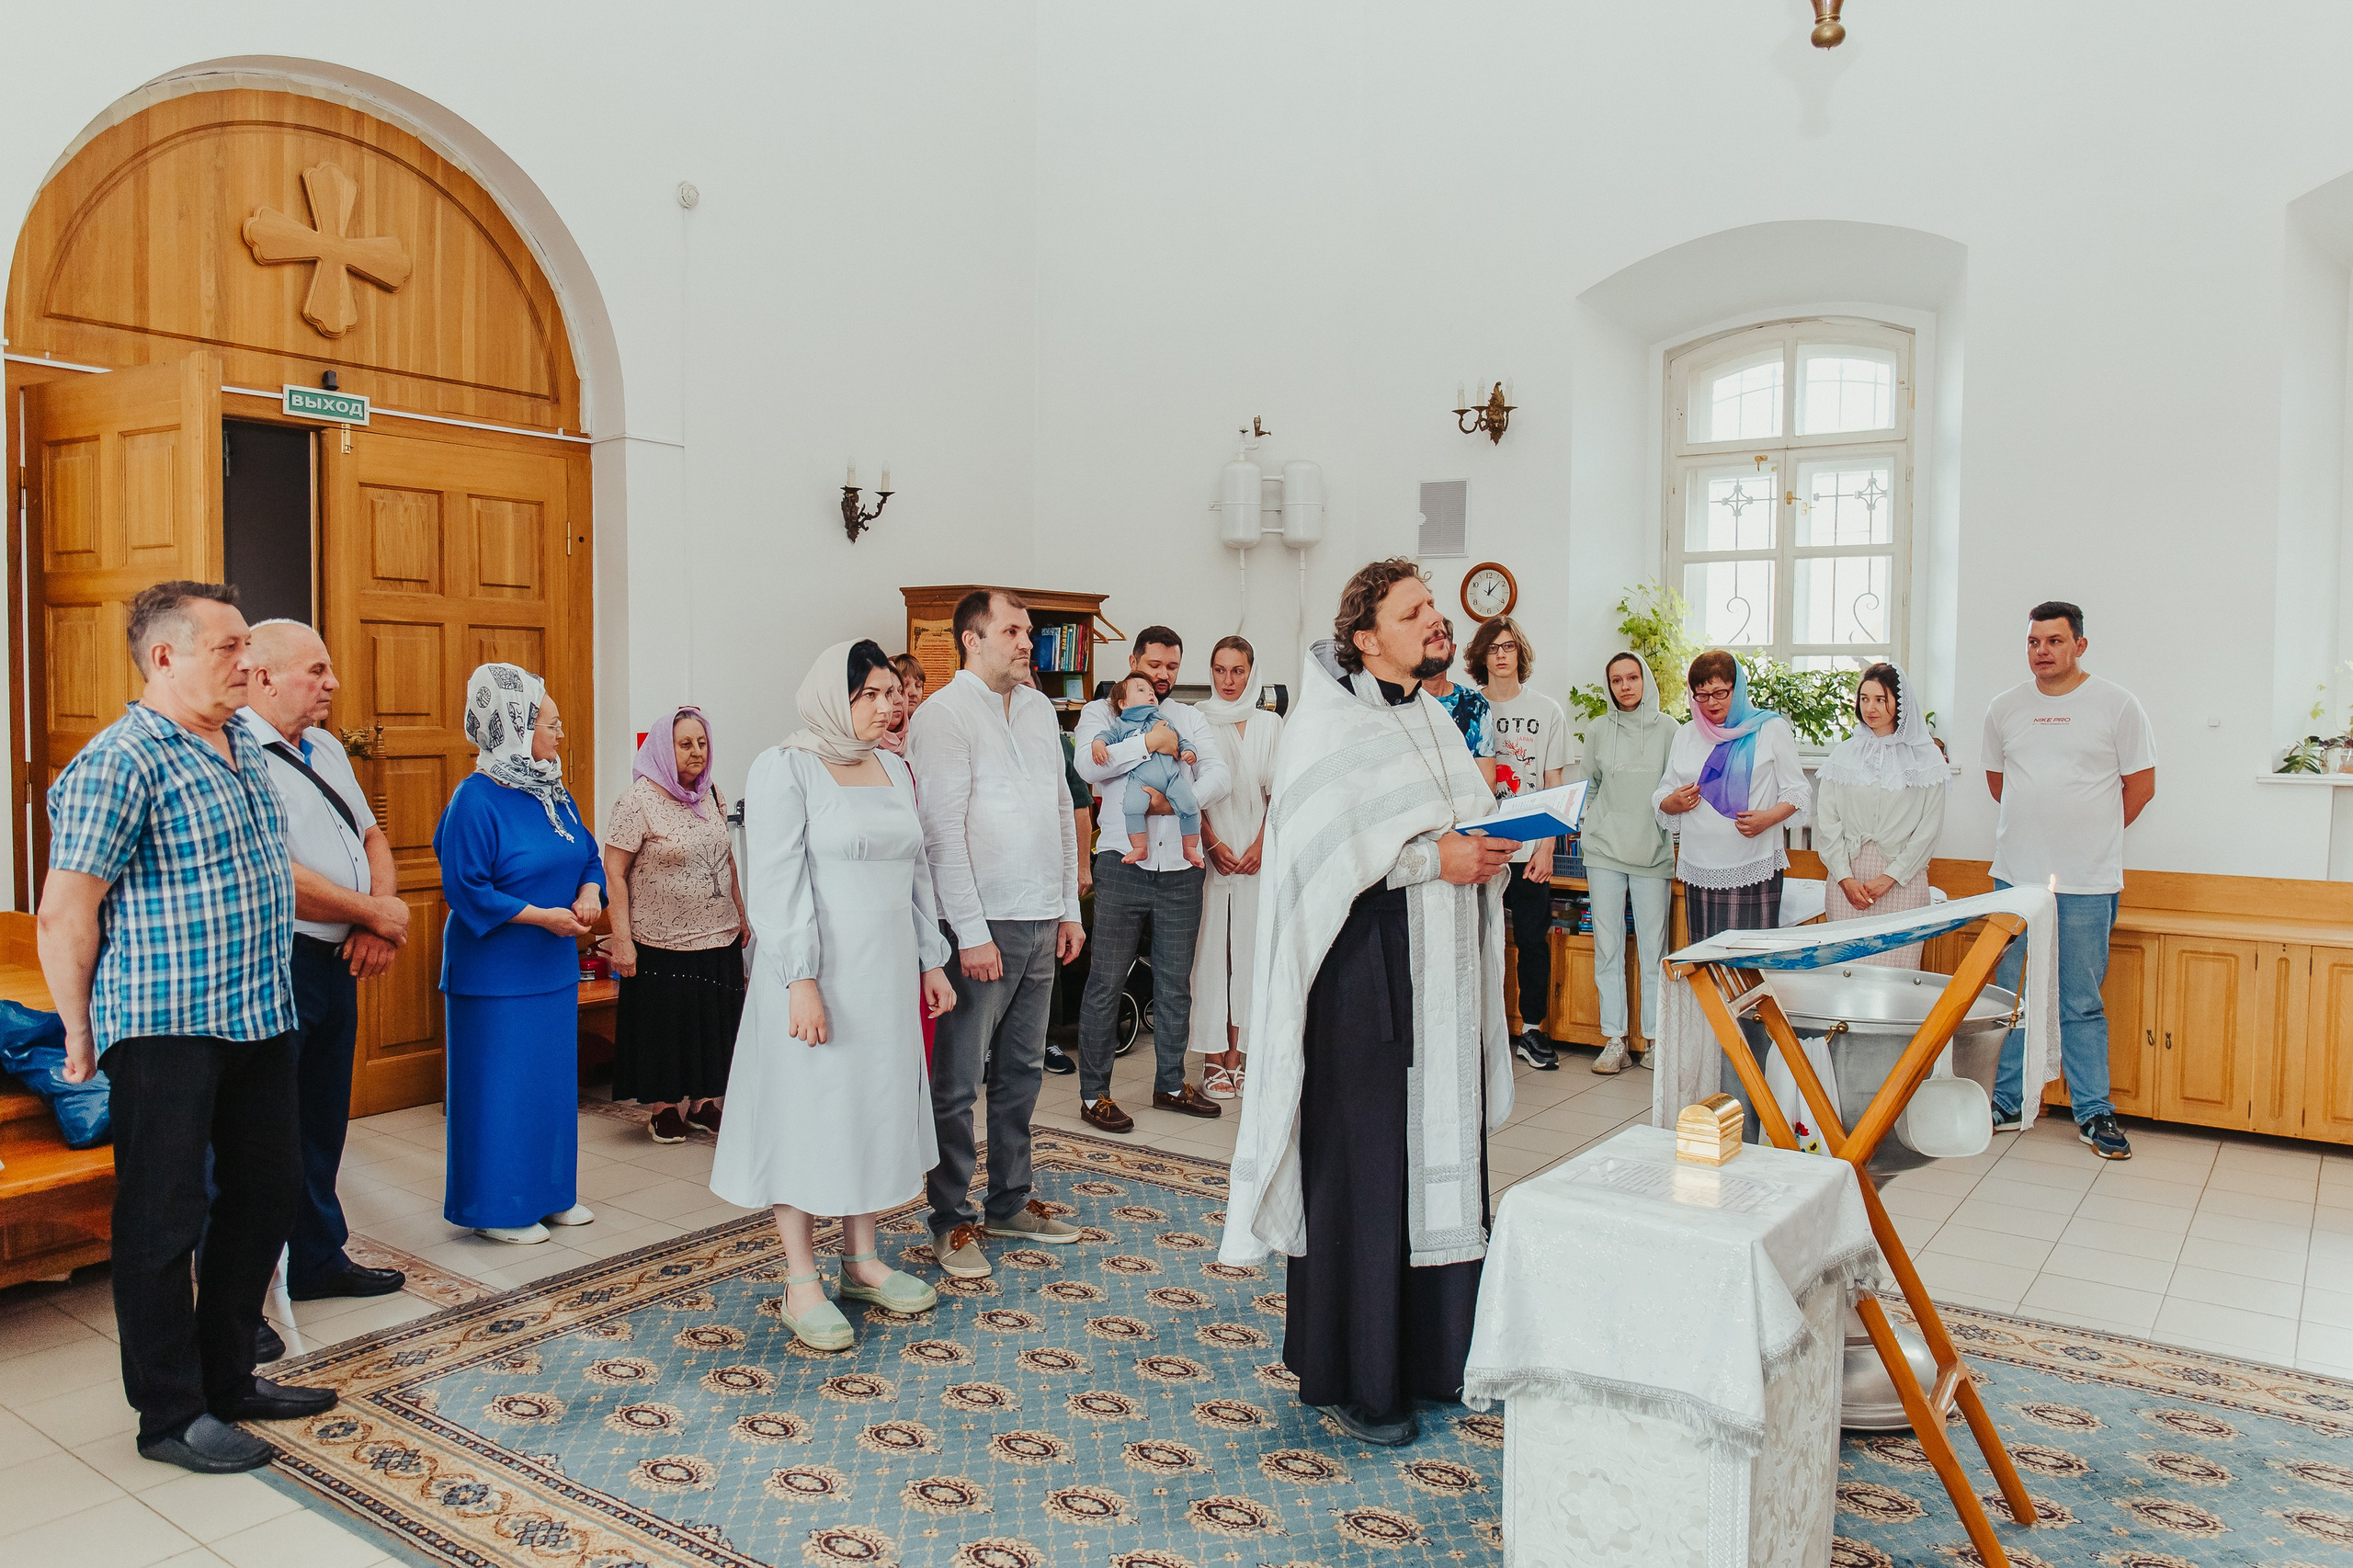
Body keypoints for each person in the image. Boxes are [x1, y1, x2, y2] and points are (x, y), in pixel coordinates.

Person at [38, 581, 334, 1475]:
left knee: (264, 1196)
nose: (248, 661)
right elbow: (65, 911)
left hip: (255, 1016)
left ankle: (229, 1373)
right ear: (163, 657)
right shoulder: (120, 760)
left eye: (249, 645)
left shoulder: (242, 738)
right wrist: (80, 1031)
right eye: (227, 647)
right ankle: (169, 1414)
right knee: (161, 1224)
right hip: (165, 1028)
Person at [1222, 558, 1518, 1449]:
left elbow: (1441, 823)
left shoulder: (1431, 714)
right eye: (1415, 610)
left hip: (1438, 972)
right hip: (1360, 975)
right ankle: (1360, 1374)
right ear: (1365, 634)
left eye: (1432, 608)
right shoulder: (1325, 725)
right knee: (1365, 1167)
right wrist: (1439, 857)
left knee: (1438, 1154)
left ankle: (1436, 1355)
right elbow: (1327, 860)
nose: (1434, 621)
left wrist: (1490, 842)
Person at [711, 642, 955, 1348]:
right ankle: (800, 1279)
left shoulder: (895, 768)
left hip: (883, 979)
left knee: (871, 1112)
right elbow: (777, 885)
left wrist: (931, 962)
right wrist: (800, 979)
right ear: (833, 697)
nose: (890, 705)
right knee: (808, 1114)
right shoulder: (787, 767)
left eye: (892, 693)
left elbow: (915, 876)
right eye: (873, 694)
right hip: (814, 978)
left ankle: (862, 1260)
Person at [907, 589, 1087, 1279]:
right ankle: (949, 1219)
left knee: (1021, 1074)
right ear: (971, 640)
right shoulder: (944, 716)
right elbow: (941, 835)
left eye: (1030, 630)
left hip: (1042, 916)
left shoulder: (1041, 708)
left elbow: (1060, 807)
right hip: (976, 927)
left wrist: (1067, 908)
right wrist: (972, 933)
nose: (1027, 641)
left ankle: (1011, 1200)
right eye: (1013, 629)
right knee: (956, 1084)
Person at [239, 619, 410, 1304]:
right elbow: (269, 871)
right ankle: (241, 1296)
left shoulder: (327, 748)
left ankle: (316, 1257)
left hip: (338, 960)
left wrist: (379, 919)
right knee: (257, 1136)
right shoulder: (237, 754)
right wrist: (372, 913)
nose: (331, 683)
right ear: (264, 676)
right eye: (315, 670)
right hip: (278, 959)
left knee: (320, 1120)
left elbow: (370, 834)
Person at [436, 664, 607, 1244]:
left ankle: (552, 1193)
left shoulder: (553, 790)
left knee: (550, 1085)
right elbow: (467, 887)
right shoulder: (475, 799)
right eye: (551, 724)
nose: (561, 735)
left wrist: (587, 893)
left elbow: (586, 856)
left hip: (550, 967)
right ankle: (499, 1207)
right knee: (500, 1090)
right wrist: (540, 916)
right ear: (514, 726)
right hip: (495, 972)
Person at [1984, 601, 2155, 1161]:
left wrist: (2087, 834)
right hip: (2015, 879)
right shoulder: (2004, 708)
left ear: (2080, 645)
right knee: (2011, 995)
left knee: (2080, 1000)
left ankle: (2094, 1111)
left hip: (2087, 881)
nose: (2042, 651)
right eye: (2034, 641)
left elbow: (2141, 787)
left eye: (2054, 641)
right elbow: (1998, 783)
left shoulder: (2117, 705)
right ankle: (2006, 1100)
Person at [1072, 626, 1232, 1133]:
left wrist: (1172, 801)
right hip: (1124, 868)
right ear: (1134, 659)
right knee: (1106, 983)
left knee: (1174, 984)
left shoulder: (1189, 716)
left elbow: (1218, 774)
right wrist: (1149, 741)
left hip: (1181, 872)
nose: (1162, 676)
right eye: (1154, 666)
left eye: (1172, 668)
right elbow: (1088, 768)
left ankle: (1168, 1085)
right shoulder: (1102, 712)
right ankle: (1095, 1094)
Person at [604, 707, 747, 1143]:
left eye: (702, 743)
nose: (696, 752)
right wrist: (622, 941)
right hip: (660, 939)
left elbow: (726, 858)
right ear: (665, 750)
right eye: (685, 744)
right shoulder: (638, 800)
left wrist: (742, 913)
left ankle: (704, 1103)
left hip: (717, 933)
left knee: (711, 1021)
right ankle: (664, 1106)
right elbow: (614, 873)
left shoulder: (713, 794)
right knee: (666, 1024)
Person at [1464, 615, 1572, 1070]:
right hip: (1480, 849)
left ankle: (1531, 1030)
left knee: (1532, 940)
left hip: (1529, 851)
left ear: (1520, 654)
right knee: (1474, 942)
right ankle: (1474, 1031)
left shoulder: (1547, 710)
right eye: (1493, 647)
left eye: (1509, 646)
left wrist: (1547, 847)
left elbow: (1554, 784)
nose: (1502, 654)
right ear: (1481, 656)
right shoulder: (1468, 708)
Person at [1654, 650, 1809, 945]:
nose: (1711, 703)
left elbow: (1797, 791)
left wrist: (1769, 818)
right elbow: (1663, 794)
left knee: (1749, 965)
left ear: (1737, 689)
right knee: (1707, 966)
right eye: (1702, 695)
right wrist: (1673, 802)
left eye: (1720, 692)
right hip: (1700, 868)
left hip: (1753, 865)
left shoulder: (1770, 729)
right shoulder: (1686, 734)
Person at [1573, 652, 1677, 1074]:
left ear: (1645, 680)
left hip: (1652, 853)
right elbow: (1589, 787)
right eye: (1617, 680)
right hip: (1603, 853)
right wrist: (1590, 827)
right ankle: (1614, 1039)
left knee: (1654, 951)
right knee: (1607, 947)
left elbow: (1676, 791)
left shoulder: (1670, 729)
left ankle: (1652, 1041)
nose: (1626, 686)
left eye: (1632, 677)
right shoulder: (1598, 730)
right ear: (1609, 685)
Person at [1190, 635, 1281, 1099]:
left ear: (1252, 672)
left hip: (1259, 858)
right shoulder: (1197, 721)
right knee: (1213, 956)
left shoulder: (1271, 725)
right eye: (1220, 670)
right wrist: (1212, 842)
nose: (1228, 680)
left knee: (1250, 953)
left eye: (1238, 671)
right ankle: (1211, 1057)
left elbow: (1281, 794)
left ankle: (1241, 1054)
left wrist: (1263, 845)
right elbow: (1186, 790)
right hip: (1212, 857)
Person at [1816, 662, 1949, 969]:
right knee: (1845, 973)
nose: (1871, 707)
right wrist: (1845, 878)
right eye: (1864, 699)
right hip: (1846, 878)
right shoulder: (1843, 754)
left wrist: (1891, 877)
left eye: (1880, 699)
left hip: (1902, 880)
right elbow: (1827, 822)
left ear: (1899, 704)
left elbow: (1928, 829)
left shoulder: (1926, 758)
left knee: (1896, 978)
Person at [1092, 671, 1204, 866]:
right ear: (1124, 704)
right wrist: (1098, 746)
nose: (1151, 694)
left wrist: (1189, 751)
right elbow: (1105, 736)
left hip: (1172, 778)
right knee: (1132, 807)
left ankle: (1190, 848)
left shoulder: (1163, 721)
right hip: (1141, 781)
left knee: (1189, 806)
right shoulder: (1122, 725)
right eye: (1142, 690)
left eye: (1151, 691)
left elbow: (1182, 740)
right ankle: (1139, 847)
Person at [1421, 617, 1497, 790]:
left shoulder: (1475, 704)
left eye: (1440, 643)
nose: (1434, 651)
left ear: (1452, 650)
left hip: (1467, 808)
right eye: (1428, 643)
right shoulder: (1403, 702)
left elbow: (1488, 781)